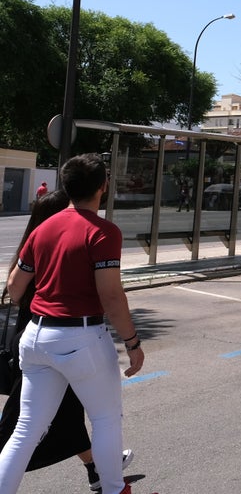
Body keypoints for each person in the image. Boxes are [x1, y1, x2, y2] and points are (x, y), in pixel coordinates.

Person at [0, 154, 145, 494]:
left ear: (65, 185)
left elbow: (14, 287)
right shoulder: (104, 232)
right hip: (81, 337)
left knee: (26, 429)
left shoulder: (42, 229)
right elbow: (111, 295)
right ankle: (114, 489)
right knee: (106, 420)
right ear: (102, 187)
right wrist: (133, 342)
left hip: (36, 336)